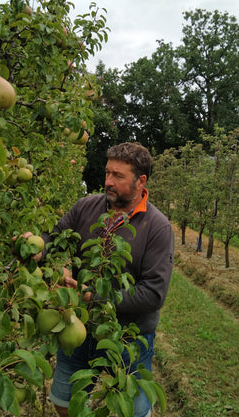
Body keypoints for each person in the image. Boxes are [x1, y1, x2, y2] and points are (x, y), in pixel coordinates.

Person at [42, 142, 174, 417]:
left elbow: (153, 293)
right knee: (64, 401)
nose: (108, 182)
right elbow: (55, 240)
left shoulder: (158, 227)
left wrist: (96, 295)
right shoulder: (87, 207)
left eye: (118, 176)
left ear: (141, 181)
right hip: (78, 327)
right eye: (107, 173)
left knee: (134, 412)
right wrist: (38, 249)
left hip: (128, 337)